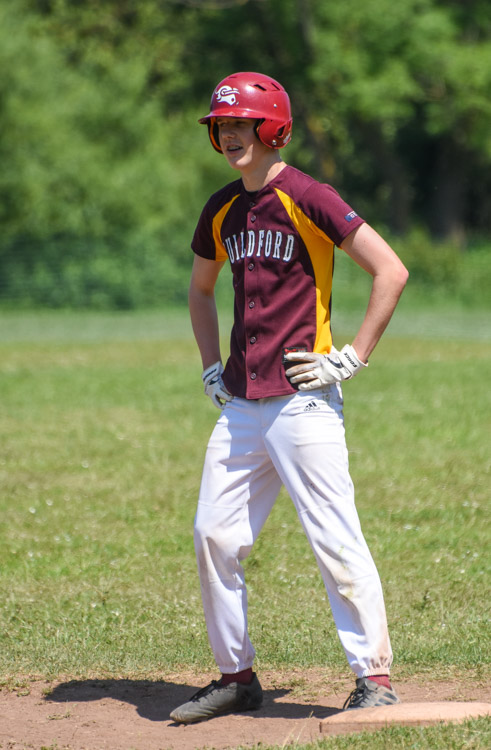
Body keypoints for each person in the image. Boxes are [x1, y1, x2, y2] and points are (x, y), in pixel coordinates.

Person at [170, 72, 409, 725]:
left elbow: (390, 271)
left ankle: (374, 678)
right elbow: (199, 289)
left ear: (273, 128)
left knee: (334, 538)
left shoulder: (308, 196)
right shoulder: (222, 207)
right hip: (242, 405)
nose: (229, 136)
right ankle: (237, 676)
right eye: (222, 126)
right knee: (213, 535)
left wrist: (351, 356)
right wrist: (209, 367)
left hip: (304, 401)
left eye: (241, 124)